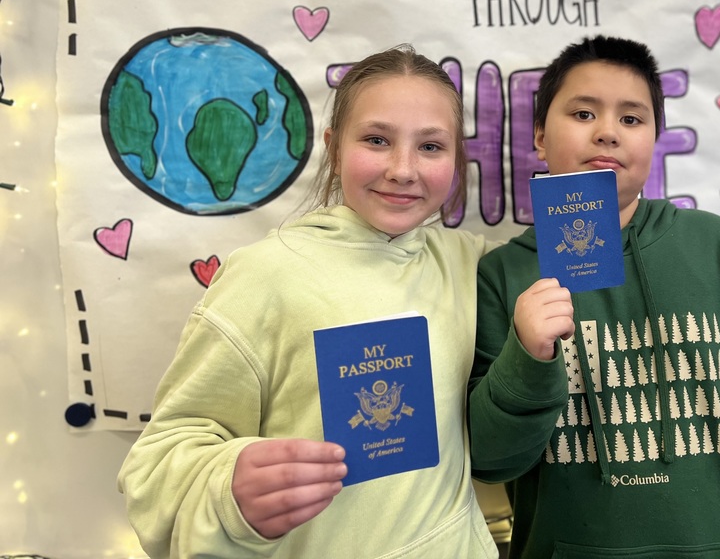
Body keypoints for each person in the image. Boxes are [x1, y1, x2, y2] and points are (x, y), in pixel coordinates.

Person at [468, 35, 720, 558]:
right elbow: (490, 459)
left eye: (631, 119)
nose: (607, 133)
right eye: (582, 113)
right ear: (539, 134)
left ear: (655, 137)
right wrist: (528, 358)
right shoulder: (502, 276)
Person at [119, 45, 499, 559]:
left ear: (458, 159)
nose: (403, 169)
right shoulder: (265, 275)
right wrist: (227, 489)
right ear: (335, 149)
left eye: (431, 147)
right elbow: (158, 461)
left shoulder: (467, 262)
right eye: (377, 140)